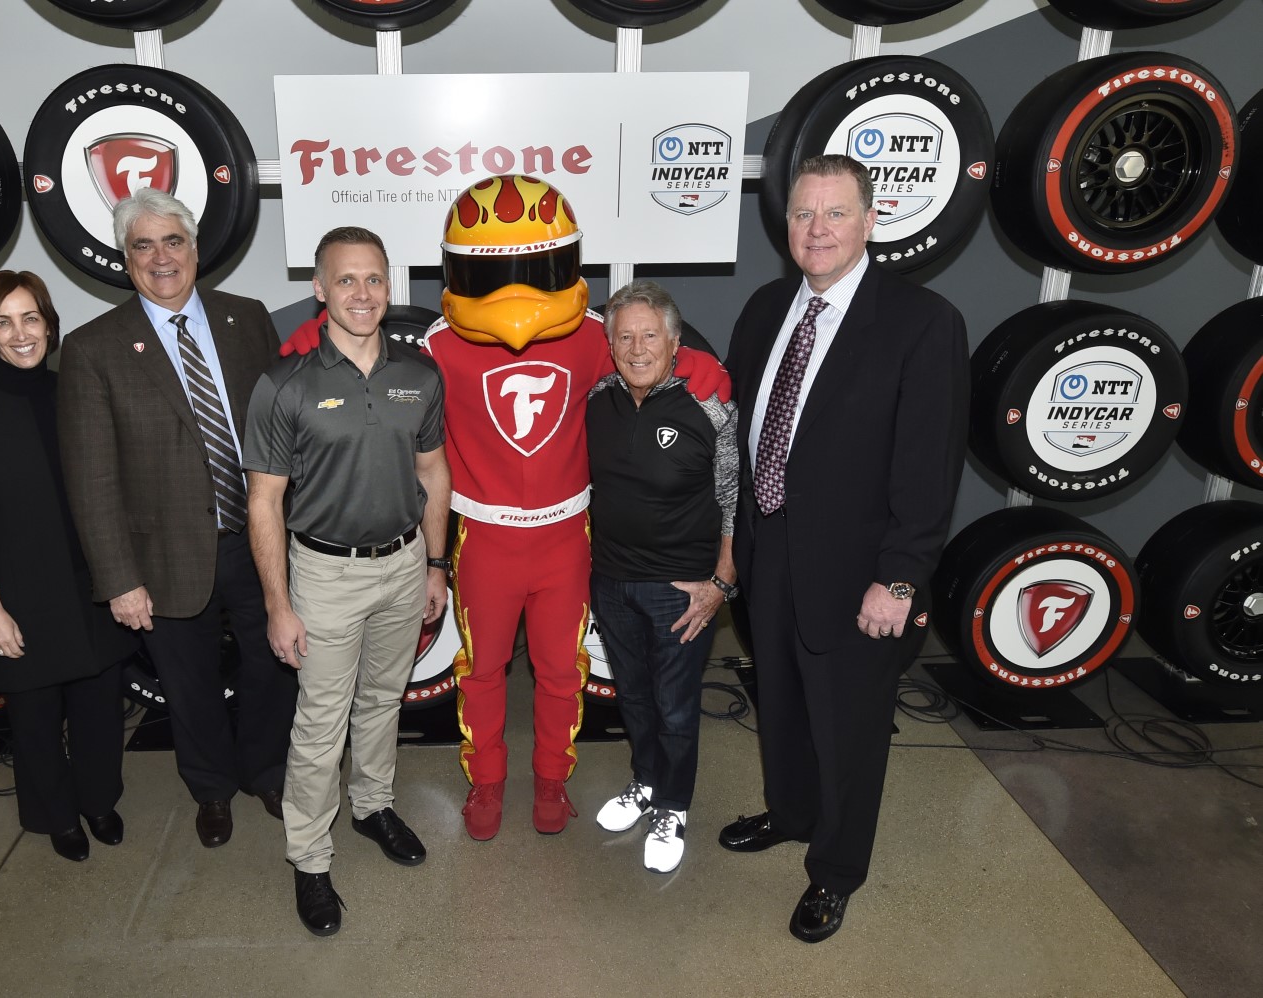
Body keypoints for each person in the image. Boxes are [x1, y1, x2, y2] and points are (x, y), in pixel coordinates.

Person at [279, 176, 728, 842]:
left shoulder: (595, 336)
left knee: (560, 670)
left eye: (533, 268)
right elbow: (362, 351)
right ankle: (486, 782)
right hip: (484, 538)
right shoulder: (437, 343)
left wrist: (705, 376)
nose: (516, 287)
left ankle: (552, 778)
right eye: (495, 271)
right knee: (481, 670)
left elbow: (660, 353)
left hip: (567, 538)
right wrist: (300, 350)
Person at [721, 154, 969, 942]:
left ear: (870, 221)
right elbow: (749, 435)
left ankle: (835, 871)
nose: (816, 230)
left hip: (861, 571)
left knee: (851, 727)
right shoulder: (765, 309)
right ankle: (791, 814)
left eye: (834, 214)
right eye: (802, 215)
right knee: (784, 703)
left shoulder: (922, 322)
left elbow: (929, 467)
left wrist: (899, 580)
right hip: (770, 547)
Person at [57, 186, 298, 849]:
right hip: (162, 558)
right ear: (125, 258)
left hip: (259, 540)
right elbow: (91, 478)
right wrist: (119, 579)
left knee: (273, 664)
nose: (162, 258)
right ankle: (212, 789)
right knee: (189, 685)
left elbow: (280, 433)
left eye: (174, 241)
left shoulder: (246, 318)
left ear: (195, 248)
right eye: (144, 245)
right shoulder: (93, 348)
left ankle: (267, 769)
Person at [244, 226, 450, 937]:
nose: (361, 294)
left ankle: (373, 806)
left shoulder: (418, 375)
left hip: (402, 566)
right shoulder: (284, 384)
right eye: (346, 280)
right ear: (319, 289)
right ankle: (308, 857)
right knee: (320, 723)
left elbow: (433, 474)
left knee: (383, 701)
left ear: (389, 287)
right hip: (325, 575)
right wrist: (278, 602)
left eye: (373, 280)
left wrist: (434, 562)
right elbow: (264, 501)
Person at [0, 271, 134, 862]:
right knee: (35, 720)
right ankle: (57, 816)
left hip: (91, 585)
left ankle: (99, 801)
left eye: (30, 318)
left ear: (49, 326)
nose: (20, 333)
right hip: (21, 595)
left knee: (99, 710)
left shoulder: (77, 393)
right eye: (4, 322)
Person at [586, 280, 738, 875]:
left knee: (676, 708)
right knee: (635, 698)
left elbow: (734, 495)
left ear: (675, 342)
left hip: (682, 588)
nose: (638, 347)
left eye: (650, 335)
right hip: (613, 581)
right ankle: (646, 783)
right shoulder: (598, 398)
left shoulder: (707, 404)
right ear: (610, 343)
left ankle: (673, 806)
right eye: (624, 336)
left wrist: (721, 583)